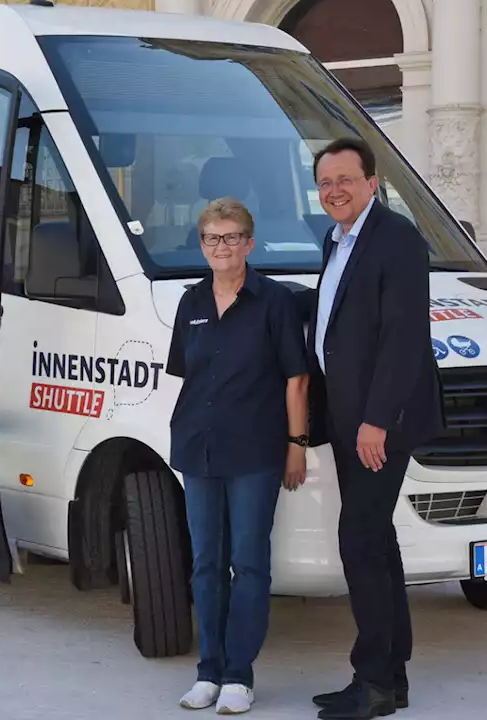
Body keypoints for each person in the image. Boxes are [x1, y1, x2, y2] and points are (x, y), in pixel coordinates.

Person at [304, 138, 443, 719]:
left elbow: (402, 340)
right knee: (378, 543)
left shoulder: (397, 240)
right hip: (349, 419)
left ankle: (374, 682)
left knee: (360, 542)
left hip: (377, 424)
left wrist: (375, 420)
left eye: (344, 179)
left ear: (371, 181)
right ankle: (394, 675)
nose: (334, 190)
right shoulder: (336, 241)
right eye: (325, 181)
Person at [165, 197, 311, 714]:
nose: (221, 247)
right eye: (212, 238)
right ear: (202, 245)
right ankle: (208, 671)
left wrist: (297, 447)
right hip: (197, 448)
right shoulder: (191, 301)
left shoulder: (273, 301)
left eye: (231, 238)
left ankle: (238, 675)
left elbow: (296, 379)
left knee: (247, 563)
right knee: (205, 563)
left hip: (256, 451)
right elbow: (189, 375)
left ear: (250, 243)